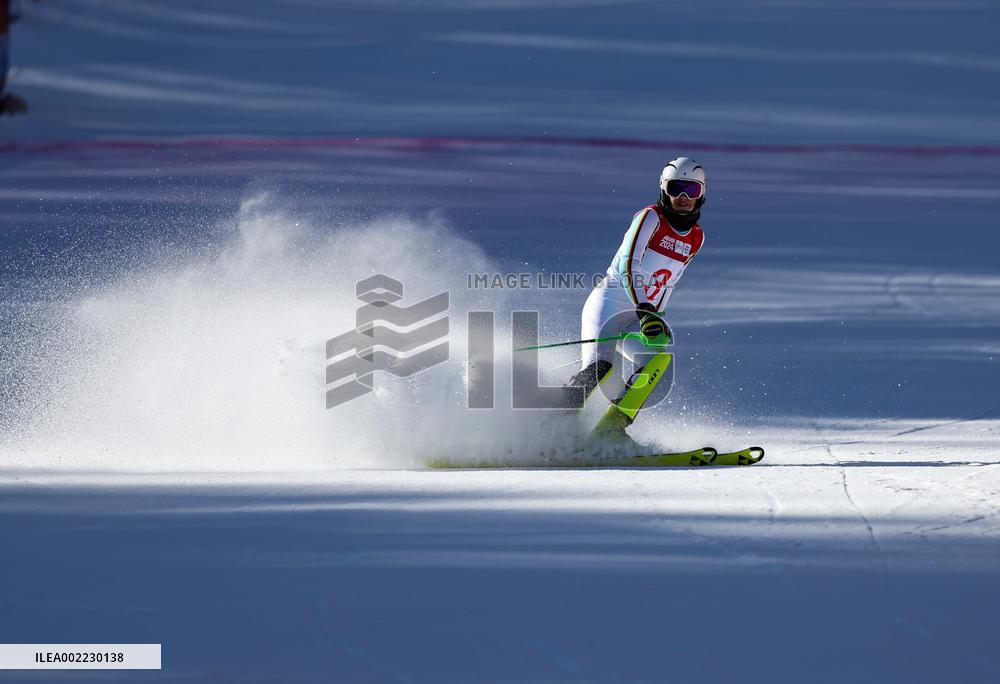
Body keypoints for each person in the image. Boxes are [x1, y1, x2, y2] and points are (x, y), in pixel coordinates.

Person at [567, 157, 707, 412]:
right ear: (664, 188)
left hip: (639, 317)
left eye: (692, 189)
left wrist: (657, 316)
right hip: (608, 304)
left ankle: (614, 428)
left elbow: (670, 282)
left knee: (655, 364)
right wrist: (645, 309)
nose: (684, 196)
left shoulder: (697, 237)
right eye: (676, 188)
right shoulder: (650, 217)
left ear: (702, 193)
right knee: (599, 370)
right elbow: (628, 265)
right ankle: (545, 427)